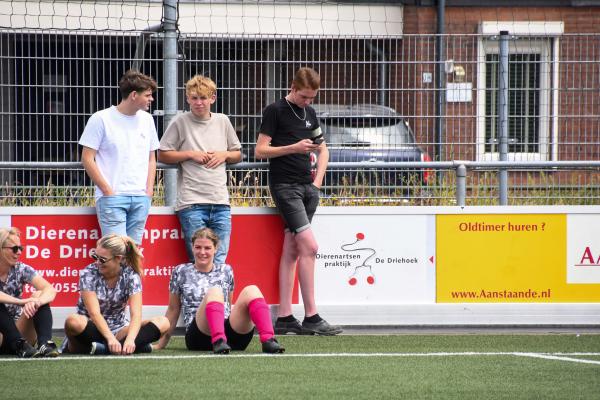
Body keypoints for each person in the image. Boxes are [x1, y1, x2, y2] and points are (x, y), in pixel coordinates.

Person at [255, 67, 342, 336]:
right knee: (311, 247)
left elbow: (323, 147)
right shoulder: (275, 110)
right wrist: (293, 148)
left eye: (312, 98)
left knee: (292, 249)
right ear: (293, 87)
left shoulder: (310, 113)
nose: (308, 102)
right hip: (285, 187)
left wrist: (318, 183)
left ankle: (284, 317)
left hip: (307, 187)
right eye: (304, 97)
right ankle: (312, 316)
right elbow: (260, 151)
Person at [156, 228, 284, 354]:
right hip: (199, 338)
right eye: (198, 247)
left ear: (215, 248)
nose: (202, 252)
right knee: (215, 291)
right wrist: (161, 343)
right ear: (192, 247)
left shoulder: (226, 270)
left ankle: (269, 340)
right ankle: (218, 340)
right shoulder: (181, 271)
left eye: (207, 248)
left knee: (252, 289)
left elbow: (229, 304)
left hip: (230, 338)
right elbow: (173, 309)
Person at [158, 75, 242, 264]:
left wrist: (225, 154)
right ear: (187, 98)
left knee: (219, 261)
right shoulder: (180, 122)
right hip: (192, 203)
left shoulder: (223, 121)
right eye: (194, 98)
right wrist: (189, 154)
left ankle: (216, 295)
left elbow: (238, 153)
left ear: (212, 98)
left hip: (220, 202)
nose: (198, 103)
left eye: (203, 98)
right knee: (199, 260)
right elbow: (162, 154)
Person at [79, 69, 160, 245]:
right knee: (116, 253)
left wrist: (148, 191)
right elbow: (87, 158)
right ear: (133, 95)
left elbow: (151, 158)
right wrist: (107, 190)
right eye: (147, 95)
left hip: (140, 198)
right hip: (112, 197)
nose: (151, 99)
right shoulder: (101, 119)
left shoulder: (148, 120)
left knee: (134, 254)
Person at [63, 234, 169, 355]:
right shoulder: (88, 273)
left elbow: (136, 314)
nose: (97, 262)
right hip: (91, 326)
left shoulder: (131, 275)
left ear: (118, 258)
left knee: (163, 322)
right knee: (73, 321)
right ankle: (124, 347)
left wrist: (130, 339)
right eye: (95, 257)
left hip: (119, 330)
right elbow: (94, 313)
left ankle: (107, 349)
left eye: (102, 259)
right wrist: (110, 339)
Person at [0, 227, 59, 358]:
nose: (18, 252)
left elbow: (50, 289)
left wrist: (37, 301)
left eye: (21, 248)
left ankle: (45, 344)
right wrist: (21, 302)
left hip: (19, 335)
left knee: (39, 295)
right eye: (14, 248)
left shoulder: (20, 268)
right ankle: (18, 344)